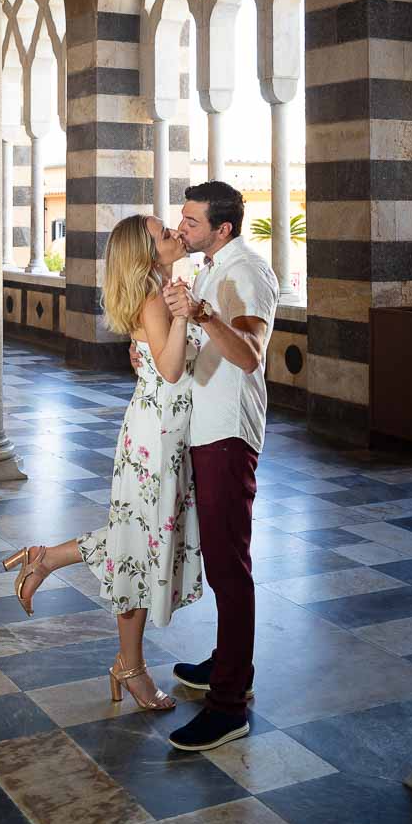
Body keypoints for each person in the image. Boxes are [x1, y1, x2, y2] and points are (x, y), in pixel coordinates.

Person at [3, 214, 203, 712]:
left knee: (137, 539)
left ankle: (46, 558)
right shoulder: (157, 298)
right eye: (163, 235)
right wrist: (182, 317)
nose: (174, 235)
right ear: (146, 253)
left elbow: (161, 360)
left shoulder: (159, 289)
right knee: (138, 547)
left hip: (158, 432)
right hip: (156, 438)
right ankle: (129, 668)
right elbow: (173, 369)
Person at [160, 180, 278, 752]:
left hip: (230, 433)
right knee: (218, 558)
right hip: (206, 429)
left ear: (222, 229)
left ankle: (229, 704)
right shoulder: (212, 265)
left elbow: (250, 355)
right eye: (182, 218)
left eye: (191, 221)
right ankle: (231, 664)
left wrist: (204, 313)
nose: (181, 227)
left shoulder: (247, 272)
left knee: (230, 567)